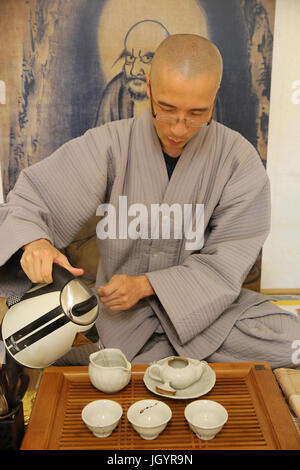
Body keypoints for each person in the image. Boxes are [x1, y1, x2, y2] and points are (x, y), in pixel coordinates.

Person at [0, 34, 300, 368]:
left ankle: (146, 361)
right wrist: (35, 242)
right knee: (31, 343)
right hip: (115, 315)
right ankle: (166, 363)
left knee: (290, 342)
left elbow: (226, 263)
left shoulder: (237, 159)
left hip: (205, 315)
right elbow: (32, 199)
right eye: (167, 109)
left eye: (197, 113)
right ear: (149, 87)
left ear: (214, 99)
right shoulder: (110, 144)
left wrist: (147, 285)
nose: (179, 128)